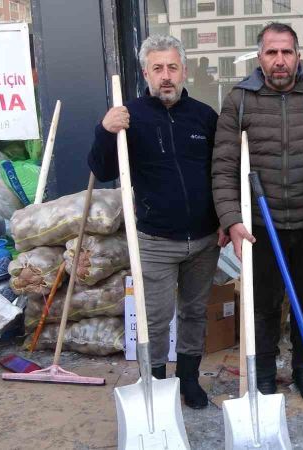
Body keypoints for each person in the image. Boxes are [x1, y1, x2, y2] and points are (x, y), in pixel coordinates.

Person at [211, 22, 303, 402]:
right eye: (272, 52)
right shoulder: (238, 101)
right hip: (260, 224)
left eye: (287, 52)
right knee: (264, 304)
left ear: (298, 56)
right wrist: (232, 220)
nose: (280, 60)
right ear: (260, 57)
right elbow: (223, 166)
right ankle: (266, 372)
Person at [88, 35, 225, 409]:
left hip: (203, 239)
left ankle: (189, 380)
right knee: (157, 319)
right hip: (155, 240)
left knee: (196, 312)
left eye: (173, 67)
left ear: (184, 70)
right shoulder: (130, 117)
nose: (166, 76)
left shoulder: (203, 117)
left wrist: (225, 220)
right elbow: (101, 169)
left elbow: (221, 174)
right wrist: (105, 129)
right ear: (146, 72)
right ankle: (157, 384)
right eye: (158, 68)